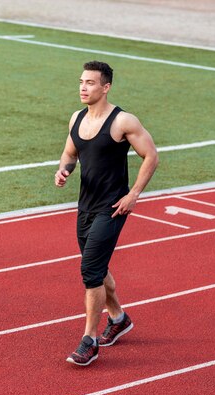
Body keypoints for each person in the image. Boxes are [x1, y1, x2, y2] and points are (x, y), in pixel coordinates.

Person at [55, 61, 158, 366]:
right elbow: (70, 153)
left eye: (90, 83)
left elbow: (151, 155)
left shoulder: (122, 121)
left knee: (90, 271)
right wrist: (64, 170)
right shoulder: (77, 118)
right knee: (98, 269)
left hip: (112, 208)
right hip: (85, 206)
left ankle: (89, 340)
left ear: (106, 87)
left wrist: (133, 194)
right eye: (81, 82)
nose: (83, 88)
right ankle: (119, 318)